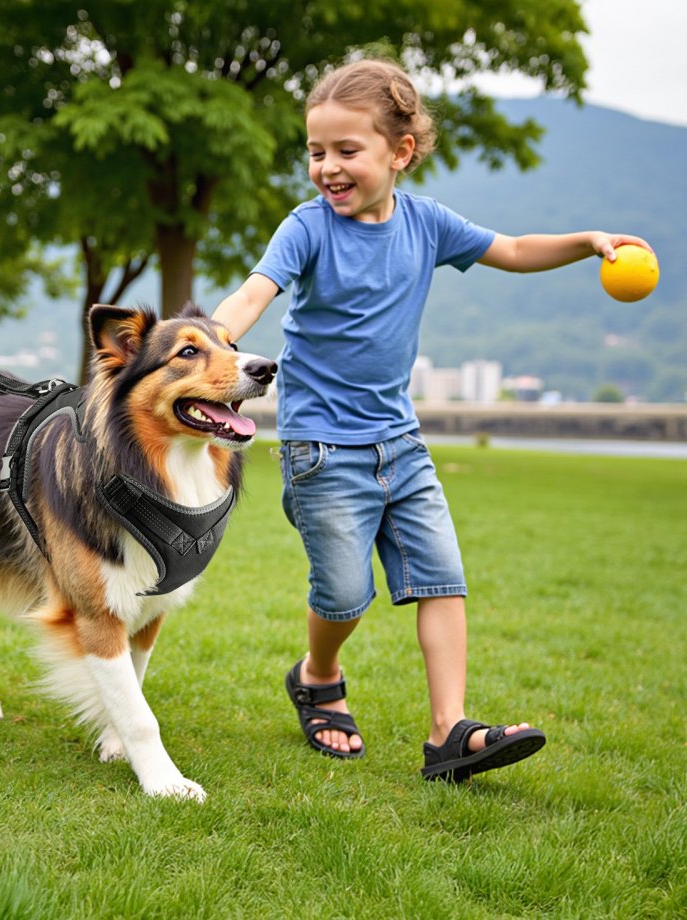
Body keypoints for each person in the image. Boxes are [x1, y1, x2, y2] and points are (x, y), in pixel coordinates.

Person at [212, 58, 652, 781]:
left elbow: (509, 249)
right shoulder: (308, 228)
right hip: (322, 446)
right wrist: (216, 335)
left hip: (400, 442)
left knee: (442, 578)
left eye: (347, 151)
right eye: (316, 152)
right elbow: (256, 291)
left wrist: (587, 242)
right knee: (346, 592)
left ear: (401, 151)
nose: (328, 167)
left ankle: (448, 731)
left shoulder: (427, 223)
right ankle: (319, 674)